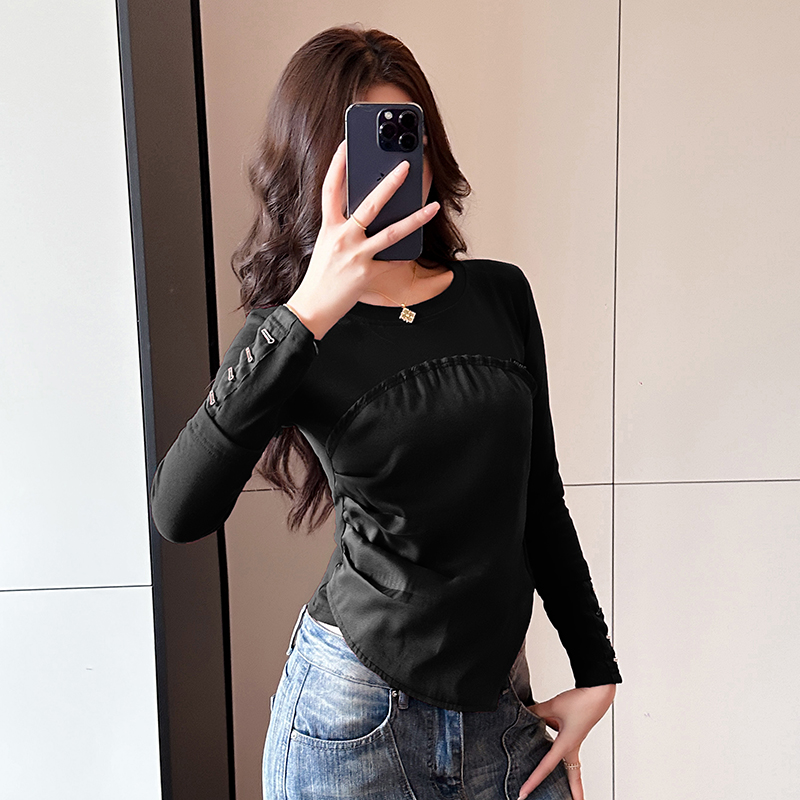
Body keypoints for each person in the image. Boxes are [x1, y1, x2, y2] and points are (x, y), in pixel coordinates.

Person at [149, 23, 621, 800]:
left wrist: (597, 670)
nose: (397, 169)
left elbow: (538, 499)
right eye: (369, 149)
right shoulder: (293, 331)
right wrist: (303, 315)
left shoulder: (499, 296)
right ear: (314, 165)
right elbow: (179, 510)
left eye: (409, 138)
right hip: (351, 719)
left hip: (500, 712)